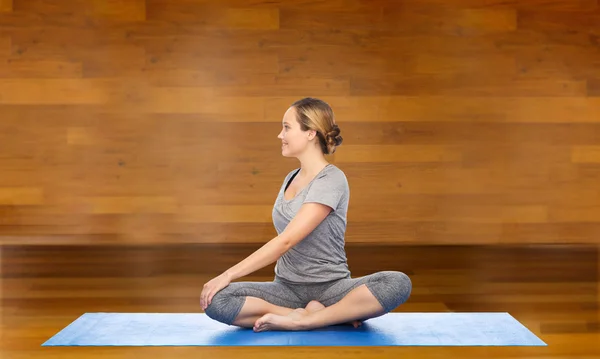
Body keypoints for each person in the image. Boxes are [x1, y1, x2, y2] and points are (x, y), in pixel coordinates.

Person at [199, 97, 412, 332]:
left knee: (397, 283)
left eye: (287, 127)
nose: (280, 135)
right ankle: (313, 315)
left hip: (332, 289)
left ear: (310, 133)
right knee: (217, 300)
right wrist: (224, 283)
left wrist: (228, 274)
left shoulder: (331, 179)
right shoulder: (290, 177)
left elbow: (287, 240)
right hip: (286, 289)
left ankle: (307, 320)